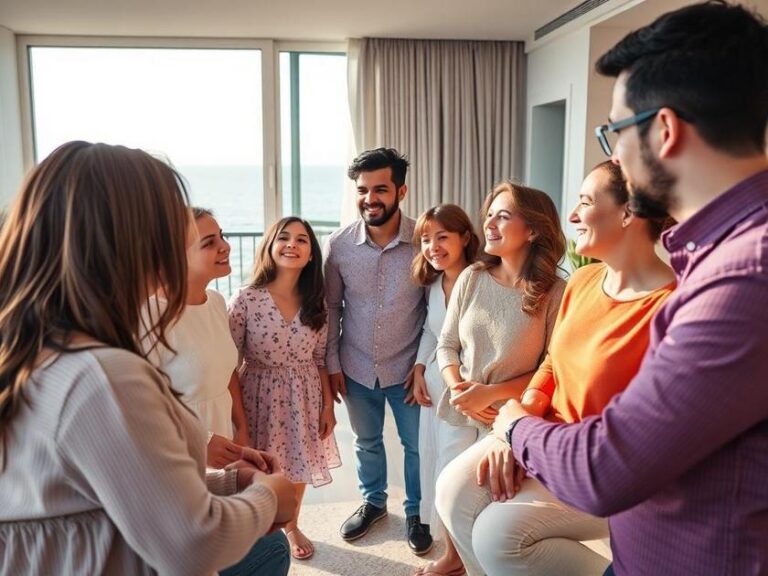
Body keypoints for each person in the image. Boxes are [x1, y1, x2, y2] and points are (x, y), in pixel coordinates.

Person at [495, 3, 768, 575]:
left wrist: (513, 423)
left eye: (614, 132)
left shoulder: (744, 276)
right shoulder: (715, 255)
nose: (613, 154)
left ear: (664, 131)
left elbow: (603, 469)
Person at [0, 141, 297, 575]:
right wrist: (270, 496)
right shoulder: (101, 377)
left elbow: (94, 496)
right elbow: (192, 543)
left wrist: (229, 481)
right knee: (271, 553)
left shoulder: (31, 348)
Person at [437, 161, 675, 576]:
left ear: (626, 213)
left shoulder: (667, 308)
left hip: (599, 467)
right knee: (451, 493)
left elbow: (641, 433)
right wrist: (515, 426)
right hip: (540, 432)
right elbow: (552, 363)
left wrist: (521, 434)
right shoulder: (585, 282)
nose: (572, 216)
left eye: (585, 202)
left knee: (497, 537)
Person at [419, 182, 567, 576]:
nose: (490, 223)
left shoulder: (555, 292)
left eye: (503, 215)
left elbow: (551, 368)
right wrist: (458, 388)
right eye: (490, 215)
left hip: (510, 419)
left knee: (487, 509)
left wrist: (492, 394)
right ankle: (456, 562)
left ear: (533, 230)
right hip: (462, 404)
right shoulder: (472, 276)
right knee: (447, 490)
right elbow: (446, 345)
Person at [324, 147, 432, 554]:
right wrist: (332, 363)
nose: (370, 198)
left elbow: (434, 312)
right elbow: (332, 307)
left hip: (408, 371)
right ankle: (373, 502)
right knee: (366, 441)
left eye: (380, 189)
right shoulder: (339, 245)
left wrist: (422, 365)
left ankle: (418, 511)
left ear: (401, 191)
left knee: (416, 445)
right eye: (363, 189)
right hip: (354, 367)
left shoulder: (425, 241)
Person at [229, 216, 340, 561]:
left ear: (311, 255)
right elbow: (227, 365)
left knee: (299, 462)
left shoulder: (317, 302)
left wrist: (327, 408)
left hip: (304, 395)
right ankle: (257, 530)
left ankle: (291, 525)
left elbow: (320, 359)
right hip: (258, 394)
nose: (292, 244)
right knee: (260, 466)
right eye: (284, 237)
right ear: (271, 246)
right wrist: (240, 421)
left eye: (302, 240)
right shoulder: (246, 299)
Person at [146, 207, 250, 469]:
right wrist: (200, 442)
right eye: (209, 242)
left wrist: (242, 429)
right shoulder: (150, 315)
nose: (225, 246)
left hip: (223, 441)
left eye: (222, 236)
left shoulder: (215, 302)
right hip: (176, 450)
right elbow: (141, 404)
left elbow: (228, 373)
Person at [410, 204, 480, 533]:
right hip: (437, 383)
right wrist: (420, 368)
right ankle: (438, 531)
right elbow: (431, 330)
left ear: (465, 237)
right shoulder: (434, 284)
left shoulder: (483, 280)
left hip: (468, 387)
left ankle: (459, 537)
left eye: (442, 237)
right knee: (433, 454)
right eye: (425, 239)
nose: (432, 247)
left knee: (457, 464)